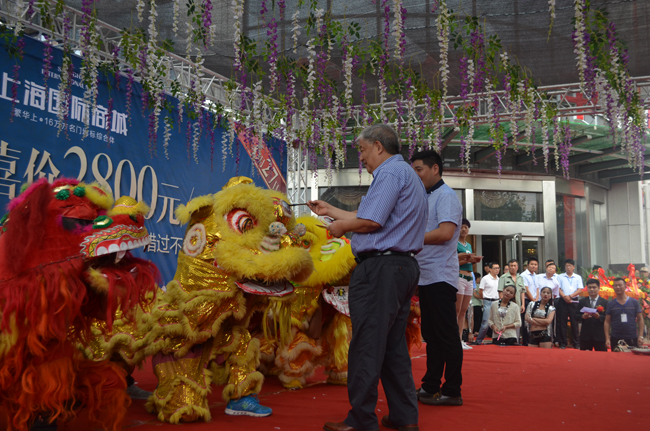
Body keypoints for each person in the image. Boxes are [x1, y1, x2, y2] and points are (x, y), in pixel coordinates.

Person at [309, 124, 426, 431]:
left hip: (380, 270)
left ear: (377, 146)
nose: (361, 158)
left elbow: (371, 222)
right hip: (401, 268)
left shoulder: (388, 174)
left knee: (366, 345)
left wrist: (340, 228)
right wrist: (331, 210)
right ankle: (404, 417)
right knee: (391, 347)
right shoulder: (407, 174)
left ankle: (361, 420)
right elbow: (375, 220)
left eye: (361, 150)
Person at [410, 149, 464, 408]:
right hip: (427, 276)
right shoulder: (426, 196)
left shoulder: (446, 196)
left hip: (441, 276)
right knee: (432, 335)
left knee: (446, 335)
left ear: (435, 169)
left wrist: (410, 239)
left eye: (419, 169)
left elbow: (444, 233)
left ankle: (452, 390)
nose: (416, 175)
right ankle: (431, 385)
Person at [457, 218, 482, 350]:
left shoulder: (469, 245)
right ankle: (455, 339)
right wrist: (466, 259)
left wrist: (474, 260)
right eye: (462, 226)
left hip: (469, 277)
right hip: (459, 275)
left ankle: (460, 339)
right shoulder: (454, 243)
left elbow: (469, 262)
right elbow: (453, 261)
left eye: (466, 227)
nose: (464, 229)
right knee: (457, 310)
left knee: (464, 311)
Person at [604, 277, 645, 350]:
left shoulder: (634, 302)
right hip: (615, 337)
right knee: (616, 360)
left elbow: (640, 319)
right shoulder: (610, 303)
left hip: (632, 337)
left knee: (631, 360)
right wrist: (607, 338)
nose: (618, 287)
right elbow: (607, 321)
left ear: (625, 287)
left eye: (620, 285)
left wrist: (641, 336)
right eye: (615, 285)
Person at [556, 259, 584, 349]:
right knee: (562, 322)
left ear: (573, 267)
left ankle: (576, 343)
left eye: (570, 266)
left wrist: (570, 296)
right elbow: (558, 288)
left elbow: (579, 289)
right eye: (566, 266)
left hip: (574, 301)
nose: (568, 267)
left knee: (574, 322)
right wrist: (565, 297)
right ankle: (563, 343)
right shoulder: (560, 277)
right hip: (563, 300)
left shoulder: (578, 277)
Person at [497, 259, 526, 342]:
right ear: (508, 267)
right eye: (511, 266)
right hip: (506, 304)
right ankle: (502, 339)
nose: (513, 267)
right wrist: (501, 304)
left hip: (517, 304)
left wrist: (523, 304)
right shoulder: (503, 277)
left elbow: (522, 292)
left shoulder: (520, 278)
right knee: (505, 322)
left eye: (515, 266)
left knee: (517, 323)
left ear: (517, 267)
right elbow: (500, 291)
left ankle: (515, 340)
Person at [473, 262, 501, 345]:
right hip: (488, 301)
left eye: (498, 268)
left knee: (497, 322)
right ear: (490, 269)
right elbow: (480, 291)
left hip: (497, 301)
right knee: (485, 322)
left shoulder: (499, 279)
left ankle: (497, 339)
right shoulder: (485, 278)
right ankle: (478, 340)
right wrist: (484, 298)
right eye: (495, 268)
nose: (497, 270)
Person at [577, 279, 608, 352]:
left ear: (598, 288)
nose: (592, 289)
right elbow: (575, 315)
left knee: (601, 358)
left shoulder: (605, 302)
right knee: (584, 359)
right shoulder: (582, 302)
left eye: (594, 287)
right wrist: (582, 317)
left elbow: (608, 318)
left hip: (600, 335)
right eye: (589, 287)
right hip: (585, 336)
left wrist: (599, 317)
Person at [520, 256, 540, 346]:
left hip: (535, 301)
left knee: (534, 320)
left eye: (535, 264)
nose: (533, 266)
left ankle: (533, 340)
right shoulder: (523, 275)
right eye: (532, 264)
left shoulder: (536, 275)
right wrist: (533, 300)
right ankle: (526, 341)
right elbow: (526, 290)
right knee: (526, 321)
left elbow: (538, 289)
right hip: (527, 301)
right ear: (527, 265)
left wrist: (537, 300)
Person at [471, 272, 483, 342]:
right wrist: (483, 298)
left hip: (477, 304)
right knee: (478, 318)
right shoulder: (475, 286)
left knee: (476, 318)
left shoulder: (476, 285)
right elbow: (475, 295)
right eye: (479, 278)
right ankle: (476, 330)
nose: (480, 279)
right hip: (476, 304)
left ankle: (475, 330)